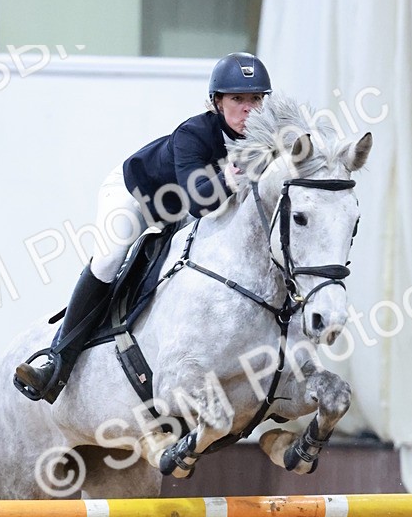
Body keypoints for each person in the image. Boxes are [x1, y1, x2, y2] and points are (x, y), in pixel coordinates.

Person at [14, 51, 272, 403]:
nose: (248, 109)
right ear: (217, 102)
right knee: (108, 260)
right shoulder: (193, 134)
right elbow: (199, 201)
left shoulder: (266, 141)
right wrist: (228, 177)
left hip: (179, 215)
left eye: (255, 99)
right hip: (136, 197)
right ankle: (55, 362)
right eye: (237, 99)